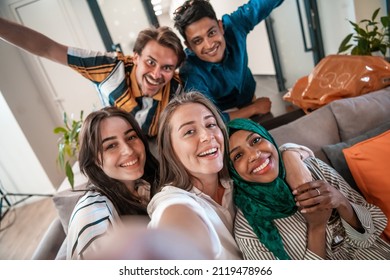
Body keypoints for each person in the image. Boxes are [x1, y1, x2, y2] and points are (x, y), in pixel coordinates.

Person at [147, 91, 313, 259]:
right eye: (189, 132)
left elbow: (271, 153)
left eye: (211, 124)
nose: (207, 136)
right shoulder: (174, 203)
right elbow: (174, 224)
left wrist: (290, 155)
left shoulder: (234, 178)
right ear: (170, 151)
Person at [227, 118, 390, 260]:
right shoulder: (248, 232)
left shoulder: (313, 168)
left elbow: (374, 229)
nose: (254, 154)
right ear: (232, 172)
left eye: (255, 140)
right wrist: (316, 228)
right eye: (238, 156)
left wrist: (340, 201)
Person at [0, 17, 185, 137]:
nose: (156, 74)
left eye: (167, 68)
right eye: (150, 62)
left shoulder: (176, 88)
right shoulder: (109, 67)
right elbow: (48, 48)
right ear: (136, 57)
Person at [66, 106, 158, 259]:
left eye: (131, 137)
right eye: (111, 146)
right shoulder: (92, 216)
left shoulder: (143, 186)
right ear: (94, 160)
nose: (128, 150)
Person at [173, 0, 284, 122]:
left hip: (250, 99)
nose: (209, 45)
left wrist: (253, 107)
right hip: (223, 117)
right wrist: (254, 109)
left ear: (221, 27)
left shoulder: (234, 26)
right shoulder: (190, 71)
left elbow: (262, 4)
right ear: (189, 45)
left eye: (212, 32)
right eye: (198, 41)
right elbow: (207, 118)